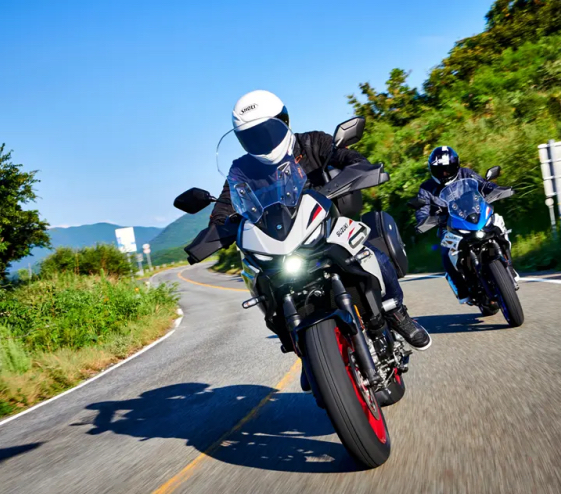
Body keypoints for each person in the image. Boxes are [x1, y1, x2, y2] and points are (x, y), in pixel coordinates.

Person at [209, 90, 430, 350]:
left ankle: (397, 312)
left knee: (372, 256)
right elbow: (226, 203)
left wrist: (357, 167)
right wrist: (216, 228)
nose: (260, 141)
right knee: (259, 282)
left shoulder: (313, 142)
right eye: (250, 136)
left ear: (284, 121)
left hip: (325, 226)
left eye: (266, 132)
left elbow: (347, 157)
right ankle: (302, 347)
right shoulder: (241, 169)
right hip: (278, 242)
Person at [414, 146, 516, 304]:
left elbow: (484, 185)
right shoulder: (426, 188)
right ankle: (462, 289)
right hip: (448, 226)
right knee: (445, 253)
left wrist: (496, 190)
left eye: (448, 169)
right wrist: (425, 220)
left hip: (475, 216)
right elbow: (422, 210)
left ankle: (509, 265)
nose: (444, 173)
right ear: (432, 170)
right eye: (440, 170)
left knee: (498, 224)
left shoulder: (467, 174)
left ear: (456, 165)